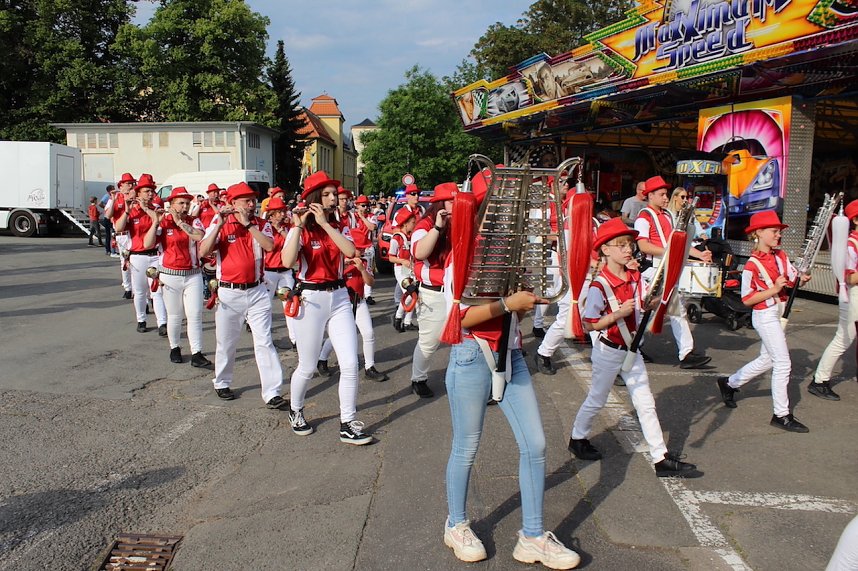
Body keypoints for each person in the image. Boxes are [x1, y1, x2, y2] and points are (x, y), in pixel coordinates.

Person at [442, 200, 580, 570]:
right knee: (466, 447)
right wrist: (508, 303)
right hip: (471, 356)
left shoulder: (510, 259)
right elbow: (462, 318)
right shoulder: (461, 257)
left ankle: (532, 535)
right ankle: (455, 524)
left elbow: (518, 311)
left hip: (513, 356)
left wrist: (521, 303)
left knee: (535, 444)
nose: (498, 223)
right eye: (491, 216)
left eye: (502, 217)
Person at [568, 218, 702, 480]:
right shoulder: (600, 286)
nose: (628, 249)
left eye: (629, 244)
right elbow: (589, 324)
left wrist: (649, 304)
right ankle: (577, 437)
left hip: (633, 350)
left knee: (646, 403)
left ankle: (660, 457)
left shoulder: (635, 277)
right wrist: (617, 313)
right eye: (621, 245)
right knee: (597, 398)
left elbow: (642, 305)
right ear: (605, 250)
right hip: (608, 351)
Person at [281, 171, 373, 445]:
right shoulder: (300, 228)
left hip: (340, 296)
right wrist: (299, 226)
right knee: (307, 366)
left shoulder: (340, 224)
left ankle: (347, 421)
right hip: (311, 297)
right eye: (328, 195)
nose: (335, 199)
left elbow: (350, 252)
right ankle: (295, 409)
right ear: (314, 199)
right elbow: (287, 261)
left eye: (335, 194)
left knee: (349, 363)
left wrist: (326, 224)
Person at [716, 211, 812, 432]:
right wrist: (774, 289)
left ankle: (729, 383)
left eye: (779, 231)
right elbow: (747, 299)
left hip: (778, 313)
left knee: (767, 359)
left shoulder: (781, 256)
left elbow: (794, 280)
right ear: (758, 233)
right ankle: (781, 414)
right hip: (765, 315)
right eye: (774, 231)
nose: (778, 235)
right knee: (783, 363)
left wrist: (802, 279)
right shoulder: (751, 264)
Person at [197, 182, 288, 410]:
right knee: (227, 342)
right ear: (233, 203)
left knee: (264, 341)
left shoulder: (261, 224)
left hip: (257, 290)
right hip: (229, 292)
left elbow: (269, 246)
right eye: (246, 200)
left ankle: (272, 392)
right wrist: (219, 224)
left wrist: (248, 225)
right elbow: (203, 251)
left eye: (253, 200)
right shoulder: (220, 223)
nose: (251, 204)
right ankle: (222, 381)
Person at [634, 175, 712, 369]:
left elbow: (676, 243)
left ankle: (684, 352)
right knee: (651, 311)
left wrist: (698, 254)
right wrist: (671, 253)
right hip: (654, 270)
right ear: (650, 195)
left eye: (666, 194)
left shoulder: (668, 216)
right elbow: (643, 245)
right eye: (661, 194)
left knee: (673, 311)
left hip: (668, 266)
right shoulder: (643, 217)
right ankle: (633, 345)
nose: (666, 197)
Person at [143, 187, 211, 368]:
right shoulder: (163, 223)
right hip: (170, 275)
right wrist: (155, 223)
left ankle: (197, 353)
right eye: (181, 203)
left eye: (187, 203)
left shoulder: (193, 221)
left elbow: (199, 237)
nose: (185, 206)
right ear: (171, 205)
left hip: (193, 275)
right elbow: (147, 243)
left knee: (195, 314)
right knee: (174, 315)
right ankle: (175, 348)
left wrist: (180, 223)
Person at [409, 183, 457, 398]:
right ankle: (418, 378)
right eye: (450, 201)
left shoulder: (462, 220)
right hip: (433, 291)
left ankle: (463, 379)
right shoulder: (425, 224)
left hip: (457, 292)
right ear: (439, 204)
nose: (455, 205)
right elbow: (419, 252)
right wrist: (437, 227)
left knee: (465, 340)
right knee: (429, 343)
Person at [317, 246, 389, 382]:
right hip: (342, 305)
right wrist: (343, 265)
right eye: (358, 249)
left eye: (361, 250)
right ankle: (322, 359)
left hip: (359, 302)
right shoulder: (337, 263)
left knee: (368, 333)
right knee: (337, 335)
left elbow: (370, 282)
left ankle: (370, 367)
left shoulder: (364, 263)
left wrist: (362, 269)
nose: (360, 252)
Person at [810, 200, 858, 401]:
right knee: (844, 338)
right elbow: (848, 277)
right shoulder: (850, 244)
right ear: (855, 220)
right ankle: (819, 381)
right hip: (852, 295)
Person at [113, 173, 168, 335]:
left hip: (155, 255)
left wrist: (146, 209)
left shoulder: (156, 210)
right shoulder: (132, 210)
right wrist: (128, 211)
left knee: (157, 290)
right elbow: (118, 228)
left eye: (152, 191)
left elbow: (160, 224)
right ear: (138, 193)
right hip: (138, 255)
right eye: (146, 191)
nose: (150, 194)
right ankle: (141, 319)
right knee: (140, 291)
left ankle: (162, 323)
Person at [261, 196, 297, 351]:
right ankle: (265, 338)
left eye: (284, 211)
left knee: (288, 303)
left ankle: (295, 339)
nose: (283, 214)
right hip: (269, 272)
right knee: (265, 306)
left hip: (285, 272)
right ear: (272, 214)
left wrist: (281, 230)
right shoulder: (264, 227)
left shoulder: (287, 227)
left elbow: (291, 243)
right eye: (280, 212)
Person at [104, 173, 136, 298]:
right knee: (125, 261)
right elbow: (108, 215)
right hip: (122, 234)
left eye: (132, 183)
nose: (130, 186)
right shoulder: (116, 198)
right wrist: (113, 199)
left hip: (134, 233)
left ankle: (136, 287)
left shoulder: (135, 197)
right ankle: (128, 287)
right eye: (128, 184)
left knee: (136, 261)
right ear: (121, 186)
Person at [389, 207, 417, 332]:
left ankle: (407, 322)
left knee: (414, 294)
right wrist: (403, 261)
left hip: (410, 269)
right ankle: (398, 317)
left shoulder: (412, 237)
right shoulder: (397, 238)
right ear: (405, 223)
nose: (414, 225)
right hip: (401, 270)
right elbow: (391, 257)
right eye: (412, 222)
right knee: (411, 293)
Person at [352, 195, 378, 304]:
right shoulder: (352, 217)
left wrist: (362, 217)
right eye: (363, 205)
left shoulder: (372, 216)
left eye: (367, 205)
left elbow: (372, 227)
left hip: (367, 247)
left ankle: (368, 295)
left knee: (368, 269)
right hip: (355, 247)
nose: (365, 208)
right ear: (357, 206)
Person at [99, 186, 116, 256]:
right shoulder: (107, 196)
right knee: (109, 234)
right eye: (113, 189)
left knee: (112, 234)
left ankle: (112, 249)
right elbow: (100, 203)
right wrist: (106, 208)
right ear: (110, 191)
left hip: (111, 217)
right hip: (108, 218)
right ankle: (109, 250)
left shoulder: (114, 197)